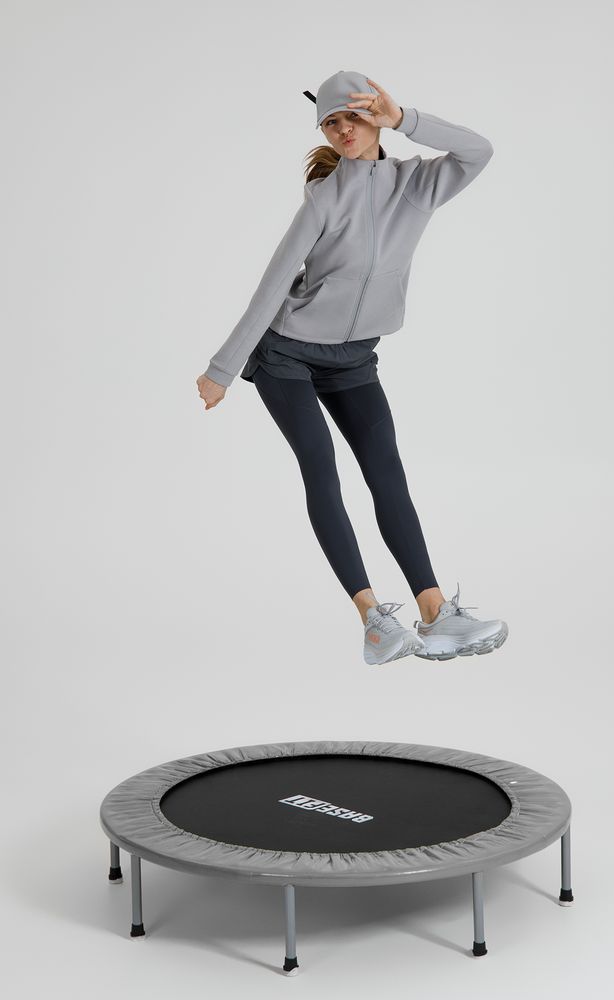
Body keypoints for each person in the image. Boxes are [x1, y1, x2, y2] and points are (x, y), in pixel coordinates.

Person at [196, 70, 508, 666]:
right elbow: (272, 286)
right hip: (286, 351)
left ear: (375, 118)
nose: (343, 130)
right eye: (331, 122)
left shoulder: (418, 184)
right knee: (323, 471)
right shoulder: (323, 198)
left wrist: (405, 118)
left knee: (387, 475)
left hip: (354, 356)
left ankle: (436, 615)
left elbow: (479, 149)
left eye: (354, 118)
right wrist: (223, 369)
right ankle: (373, 621)